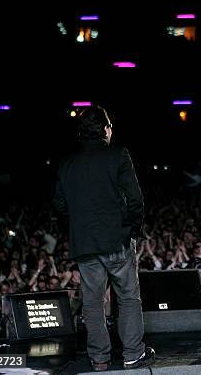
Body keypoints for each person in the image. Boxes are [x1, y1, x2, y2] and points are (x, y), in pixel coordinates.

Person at [53, 106, 155, 371]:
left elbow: (59, 206)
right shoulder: (118, 155)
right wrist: (131, 230)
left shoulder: (67, 163)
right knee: (128, 298)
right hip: (116, 240)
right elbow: (136, 199)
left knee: (92, 302)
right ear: (106, 130)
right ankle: (133, 354)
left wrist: (79, 229)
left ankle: (99, 359)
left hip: (85, 244)